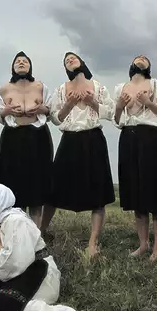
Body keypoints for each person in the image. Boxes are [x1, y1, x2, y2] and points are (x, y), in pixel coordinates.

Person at [43, 52, 115, 258]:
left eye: (72, 57)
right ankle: (39, 234)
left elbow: (110, 113)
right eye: (66, 60)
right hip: (70, 139)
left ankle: (93, 243)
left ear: (82, 62)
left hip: (93, 138)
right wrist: (69, 104)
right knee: (54, 189)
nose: (69, 59)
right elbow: (56, 119)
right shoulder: (60, 89)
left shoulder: (98, 86)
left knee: (98, 192)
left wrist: (92, 102)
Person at [113, 55, 157, 260]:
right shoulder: (121, 87)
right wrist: (120, 105)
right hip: (128, 137)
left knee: (155, 192)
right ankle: (143, 244)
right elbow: (116, 119)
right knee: (135, 193)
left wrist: (148, 102)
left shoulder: (156, 84)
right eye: (137, 58)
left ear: (149, 67)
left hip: (152, 137)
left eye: (144, 59)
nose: (140, 60)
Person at [0, 52, 54, 225]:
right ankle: (16, 233)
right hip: (12, 138)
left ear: (30, 66)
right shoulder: (5, 88)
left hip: (38, 137)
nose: (21, 63)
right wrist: (7, 111)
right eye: (17, 61)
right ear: (12, 67)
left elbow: (52, 110)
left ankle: (36, 235)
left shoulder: (41, 86)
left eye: (25, 61)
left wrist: (42, 109)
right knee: (13, 186)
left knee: (38, 185)